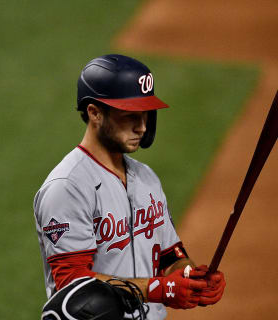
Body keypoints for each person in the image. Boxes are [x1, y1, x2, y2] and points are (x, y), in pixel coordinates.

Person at [33, 54, 225, 320]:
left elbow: (171, 257)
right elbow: (74, 286)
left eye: (146, 114)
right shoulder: (68, 186)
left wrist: (193, 279)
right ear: (95, 113)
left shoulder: (147, 178)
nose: (142, 126)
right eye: (129, 116)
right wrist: (160, 289)